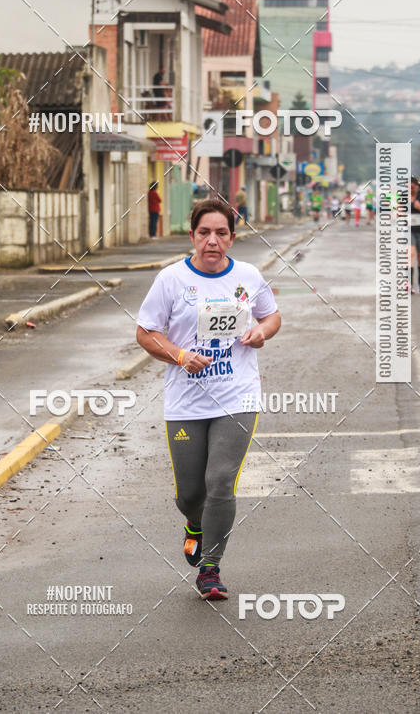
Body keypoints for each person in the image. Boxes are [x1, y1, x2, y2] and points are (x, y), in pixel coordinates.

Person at [135, 198, 281, 600]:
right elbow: (146, 332)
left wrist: (262, 332)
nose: (212, 241)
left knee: (220, 482)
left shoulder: (250, 277)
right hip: (185, 403)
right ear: (192, 236)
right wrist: (180, 355)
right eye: (204, 233)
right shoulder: (171, 280)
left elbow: (272, 316)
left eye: (221, 233)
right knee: (190, 494)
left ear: (232, 239)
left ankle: (211, 569)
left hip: (237, 397)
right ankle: (195, 524)